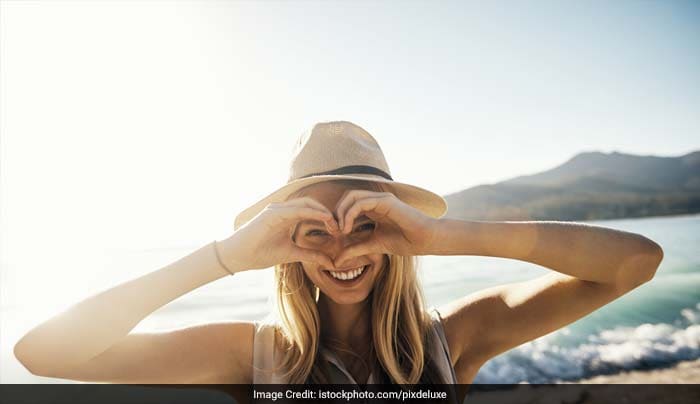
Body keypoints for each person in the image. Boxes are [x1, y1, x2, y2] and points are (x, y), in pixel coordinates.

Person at [14, 121, 664, 386]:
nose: (343, 247)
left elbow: (636, 261)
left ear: (398, 228)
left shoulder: (458, 337)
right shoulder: (255, 355)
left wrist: (440, 236)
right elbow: (45, 355)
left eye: (366, 222)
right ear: (286, 244)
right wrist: (224, 258)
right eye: (315, 228)